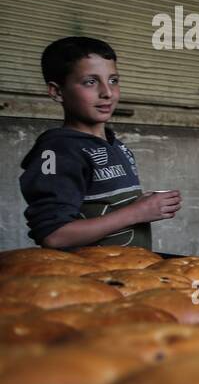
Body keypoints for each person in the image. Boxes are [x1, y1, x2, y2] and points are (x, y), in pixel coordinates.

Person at [18, 36, 181, 248]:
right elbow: (54, 235)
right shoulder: (59, 150)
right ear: (57, 91)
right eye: (90, 82)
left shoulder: (116, 146)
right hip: (88, 278)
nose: (107, 92)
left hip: (126, 274)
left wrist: (144, 205)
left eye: (113, 80)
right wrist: (137, 212)